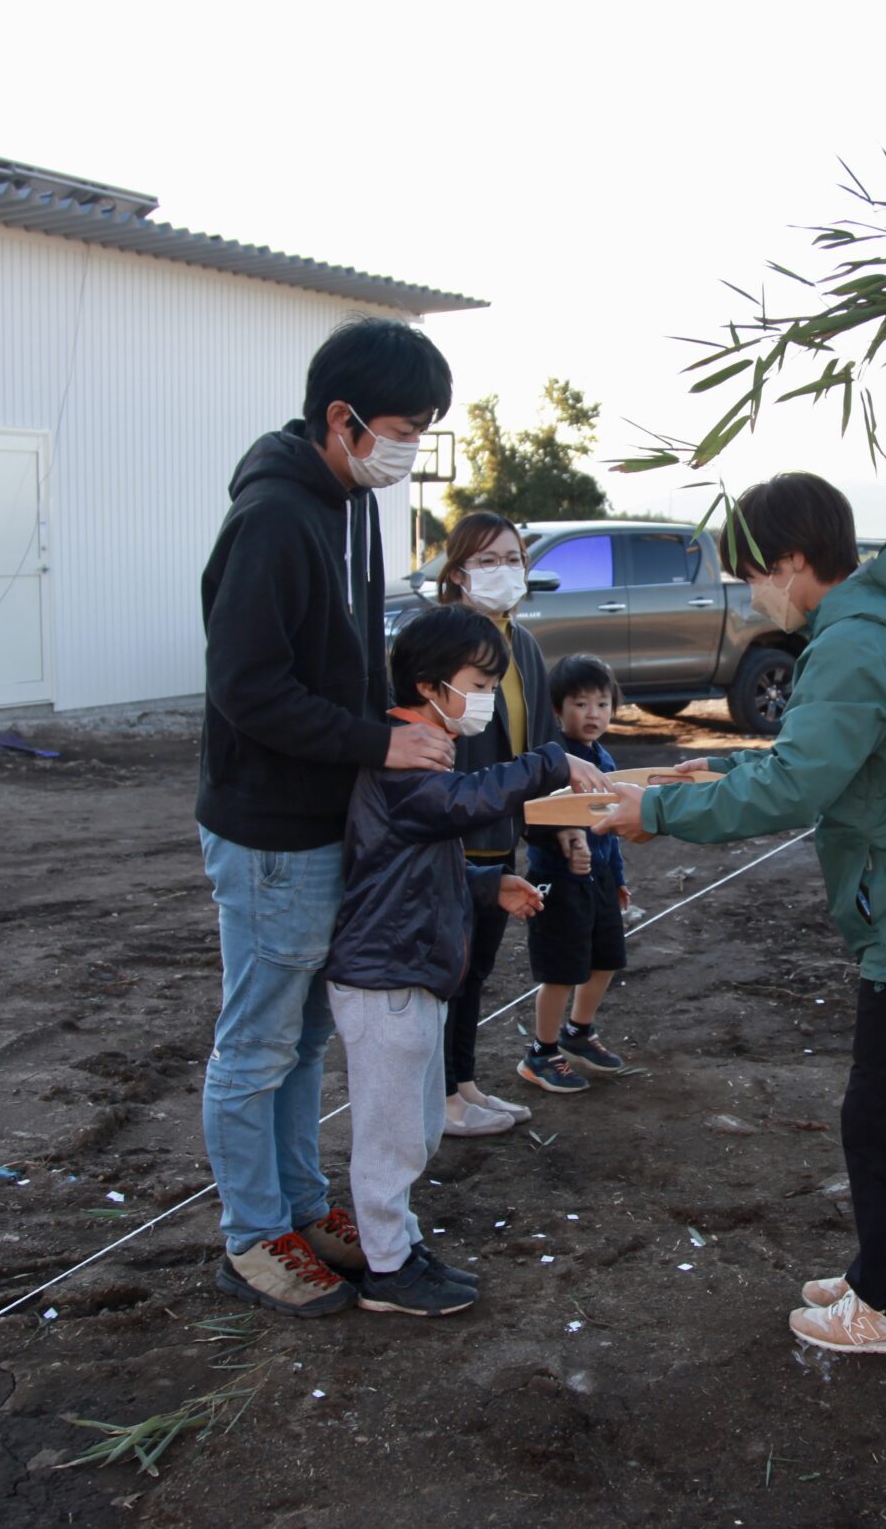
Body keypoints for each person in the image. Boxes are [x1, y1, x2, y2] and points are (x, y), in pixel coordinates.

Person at [594, 473, 886, 1357]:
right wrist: (701, 778)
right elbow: (817, 759)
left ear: (790, 562)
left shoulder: (852, 644)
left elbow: (796, 785)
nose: (750, 593)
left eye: (751, 573)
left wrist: (657, 811)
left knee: (885, 1114)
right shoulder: (873, 627)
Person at [195, 317, 454, 1320]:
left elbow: (338, 657)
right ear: (341, 418)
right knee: (256, 1042)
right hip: (269, 828)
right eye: (401, 427)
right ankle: (251, 1234)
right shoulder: (272, 517)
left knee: (306, 1039)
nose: (409, 450)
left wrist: (394, 718)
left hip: (322, 817)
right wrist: (374, 744)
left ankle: (301, 1207)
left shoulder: (348, 503)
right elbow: (246, 689)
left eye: (423, 431)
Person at [326, 606, 614, 1315]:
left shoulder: (426, 748)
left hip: (412, 972)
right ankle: (388, 1269)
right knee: (391, 1135)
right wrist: (548, 760)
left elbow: (420, 855)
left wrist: (488, 885)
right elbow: (456, 806)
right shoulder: (406, 750)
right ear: (430, 685)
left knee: (418, 1124)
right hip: (383, 976)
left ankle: (399, 1244)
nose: (485, 695)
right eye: (478, 681)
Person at [428, 511, 560, 1136]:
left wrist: (553, 821)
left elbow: (540, 741)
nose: (503, 571)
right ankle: (439, 1097)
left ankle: (464, 1084)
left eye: (512, 559)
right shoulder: (440, 642)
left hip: (500, 832)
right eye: (487, 561)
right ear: (456, 573)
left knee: (478, 968)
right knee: (446, 971)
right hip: (452, 832)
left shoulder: (524, 645)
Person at [519, 655, 632, 1093]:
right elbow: (532, 817)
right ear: (556, 710)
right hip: (560, 884)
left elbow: (612, 824)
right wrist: (564, 835)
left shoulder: (603, 757)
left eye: (602, 704)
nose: (593, 714)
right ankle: (540, 1053)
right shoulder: (550, 761)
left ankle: (578, 1031)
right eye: (581, 704)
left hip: (600, 880)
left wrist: (617, 876)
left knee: (605, 961)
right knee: (561, 971)